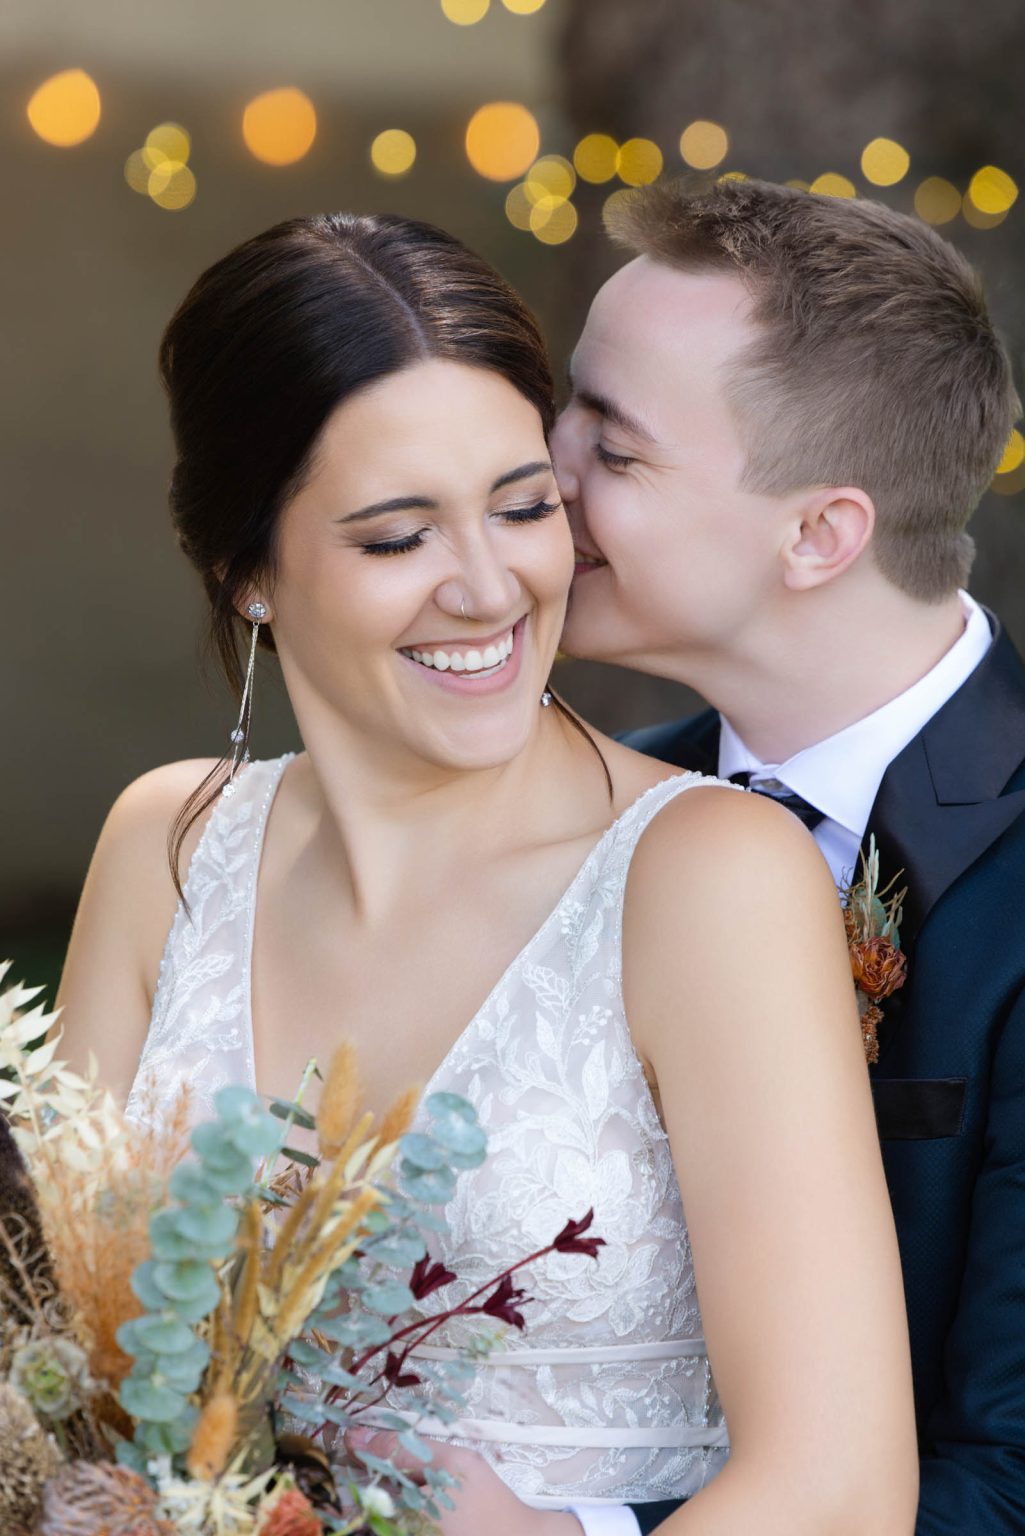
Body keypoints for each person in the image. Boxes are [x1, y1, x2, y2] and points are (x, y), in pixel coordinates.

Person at [56, 212, 916, 1535]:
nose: (489, 586)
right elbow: (56, 1373)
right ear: (250, 575)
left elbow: (840, 1487)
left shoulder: (708, 877)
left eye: (523, 507)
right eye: (397, 538)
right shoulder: (166, 844)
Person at [552, 175, 1025, 1536]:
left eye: (613, 448)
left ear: (818, 533)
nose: (539, 470)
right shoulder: (589, 809)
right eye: (562, 405)